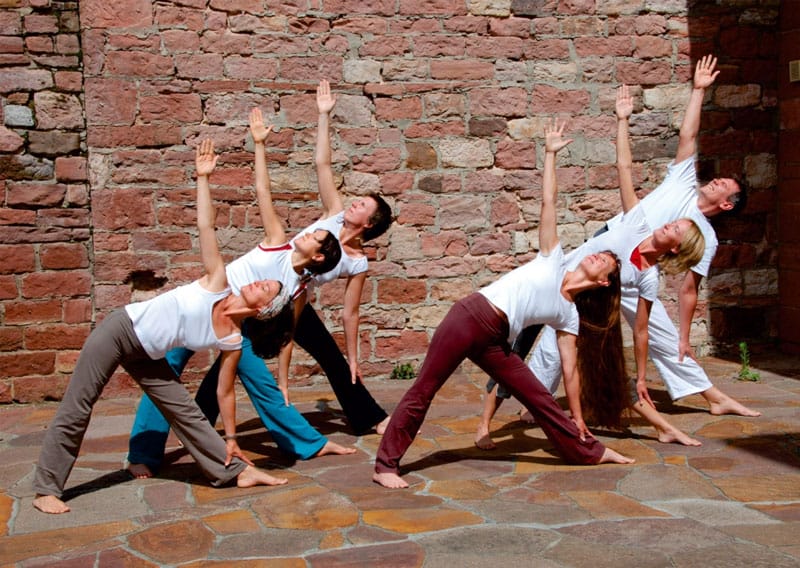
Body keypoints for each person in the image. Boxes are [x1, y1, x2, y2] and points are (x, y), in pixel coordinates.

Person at [33, 139, 291, 514]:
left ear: (265, 308)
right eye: (262, 280)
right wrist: (203, 178)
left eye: (265, 287)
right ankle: (47, 488)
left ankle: (234, 470)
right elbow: (206, 225)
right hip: (119, 331)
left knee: (185, 411)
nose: (257, 282)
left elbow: (225, 393)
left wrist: (232, 439)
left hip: (147, 353)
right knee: (78, 405)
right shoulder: (218, 280)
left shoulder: (233, 339)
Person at [373, 120, 634, 490]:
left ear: (604, 281)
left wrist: (577, 416)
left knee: (539, 396)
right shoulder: (553, 258)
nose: (596, 256)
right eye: (598, 254)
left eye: (605, 260)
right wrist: (549, 155)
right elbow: (549, 202)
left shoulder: (568, 314)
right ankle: (386, 464)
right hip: (469, 317)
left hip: (495, 339)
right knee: (424, 389)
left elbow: (570, 371)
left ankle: (588, 450)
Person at [475, 86, 708, 451]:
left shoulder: (648, 275)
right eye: (672, 222)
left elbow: (642, 330)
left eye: (674, 229)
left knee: (611, 368)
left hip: (583, 312)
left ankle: (662, 427)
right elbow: (624, 169)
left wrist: (644, 375)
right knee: (515, 353)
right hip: (552, 284)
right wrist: (621, 119)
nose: (668, 224)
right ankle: (485, 426)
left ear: (676, 248)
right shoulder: (637, 224)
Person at [126, 109, 355, 479]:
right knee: (165, 368)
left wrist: (283, 377)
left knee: (261, 383)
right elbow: (262, 190)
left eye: (317, 236)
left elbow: (287, 336)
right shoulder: (278, 241)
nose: (310, 230)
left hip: (238, 324)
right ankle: (143, 453)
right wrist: (260, 144)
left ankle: (308, 443)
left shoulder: (298, 289)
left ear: (317, 256)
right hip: (200, 305)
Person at [602, 55, 758, 417]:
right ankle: (537, 400)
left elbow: (689, 289)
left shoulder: (706, 238)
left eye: (724, 186)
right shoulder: (684, 181)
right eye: (719, 179)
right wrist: (698, 91)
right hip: (610, 249)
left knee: (670, 339)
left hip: (640, 273)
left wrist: (686, 336)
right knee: (565, 315)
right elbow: (688, 135)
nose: (716, 181)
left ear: (727, 205)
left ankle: (713, 397)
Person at [279, 79, 394, 435]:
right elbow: (322, 164)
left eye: (362, 205)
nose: (354, 203)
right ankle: (197, 426)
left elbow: (350, 312)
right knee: (229, 356)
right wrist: (324, 116)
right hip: (265, 284)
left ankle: (369, 417)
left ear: (369, 223)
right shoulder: (332, 213)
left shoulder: (358, 262)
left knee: (332, 357)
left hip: (294, 300)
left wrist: (355, 358)